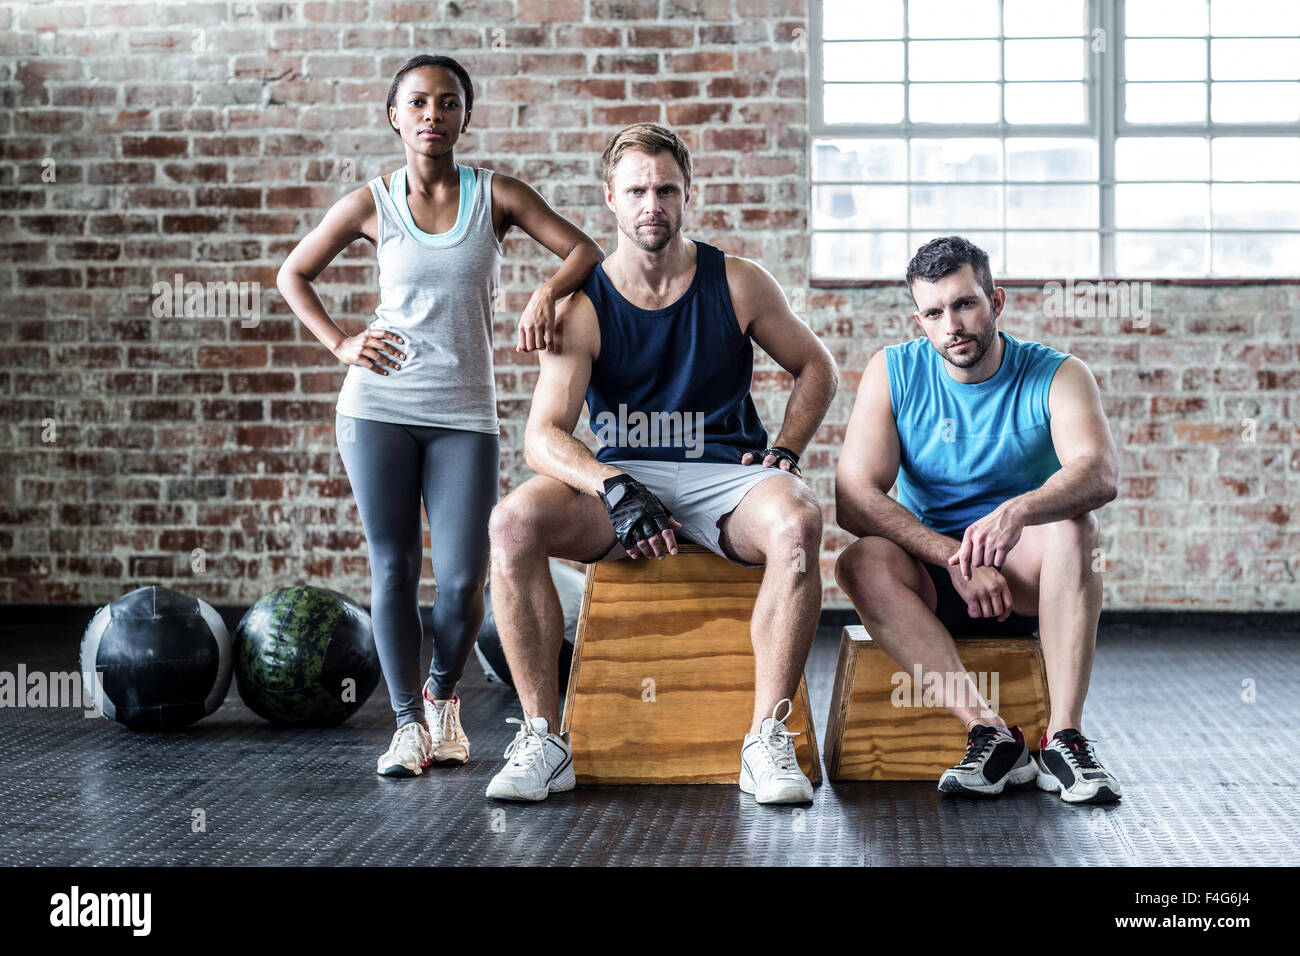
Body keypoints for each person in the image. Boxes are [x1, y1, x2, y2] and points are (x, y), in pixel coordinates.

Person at [483, 123, 838, 805]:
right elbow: (543, 437)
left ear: (687, 196)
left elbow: (815, 367)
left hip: (726, 478)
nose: (654, 204)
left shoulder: (737, 283)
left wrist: (786, 451)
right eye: (638, 190)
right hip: (622, 479)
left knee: (798, 526)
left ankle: (766, 739)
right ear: (610, 197)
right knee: (511, 524)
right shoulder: (582, 309)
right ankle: (543, 738)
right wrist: (612, 485)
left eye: (667, 189)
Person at [277, 54, 603, 778]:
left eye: (448, 103)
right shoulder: (372, 202)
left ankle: (441, 699)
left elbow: (586, 248)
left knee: (462, 580)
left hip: (464, 414)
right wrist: (340, 341)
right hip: (378, 408)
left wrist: (547, 291)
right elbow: (291, 272)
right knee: (394, 567)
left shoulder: (498, 196)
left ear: (464, 115)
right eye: (418, 103)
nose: (433, 115)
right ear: (394, 116)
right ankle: (405, 727)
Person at [835, 236, 1122, 804]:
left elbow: (1099, 472)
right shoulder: (893, 371)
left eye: (965, 304)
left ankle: (1064, 738)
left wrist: (1015, 512)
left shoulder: (1058, 374)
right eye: (935, 313)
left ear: (997, 300)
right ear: (919, 320)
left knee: (1077, 527)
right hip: (937, 577)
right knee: (859, 560)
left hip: (1024, 578)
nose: (953, 325)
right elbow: (853, 499)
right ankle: (990, 733)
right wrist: (955, 558)